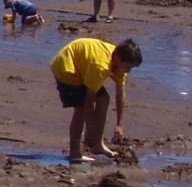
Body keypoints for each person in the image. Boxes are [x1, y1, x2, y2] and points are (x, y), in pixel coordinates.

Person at [51, 36, 142, 164]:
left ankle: (97, 145)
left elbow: (120, 93)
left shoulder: (118, 62)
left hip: (84, 66)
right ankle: (75, 153)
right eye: (127, 67)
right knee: (81, 108)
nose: (129, 71)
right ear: (117, 59)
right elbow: (89, 100)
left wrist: (119, 124)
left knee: (104, 98)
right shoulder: (100, 66)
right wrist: (89, 130)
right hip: (67, 67)